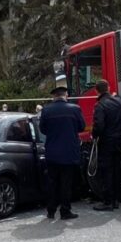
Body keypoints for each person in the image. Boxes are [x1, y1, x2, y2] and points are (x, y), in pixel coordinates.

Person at [38, 85, 85, 220]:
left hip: (52, 152)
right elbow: (81, 127)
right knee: (66, 183)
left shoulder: (46, 110)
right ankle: (65, 211)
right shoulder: (74, 109)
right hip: (69, 152)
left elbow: (43, 130)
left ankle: (51, 211)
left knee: (52, 182)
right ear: (66, 95)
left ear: (54, 96)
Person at [91, 80, 121, 211]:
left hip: (106, 142)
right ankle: (116, 200)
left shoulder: (100, 105)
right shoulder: (118, 102)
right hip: (119, 140)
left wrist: (94, 135)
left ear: (96, 91)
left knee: (106, 171)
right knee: (117, 170)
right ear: (109, 88)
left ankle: (107, 201)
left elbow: (99, 126)